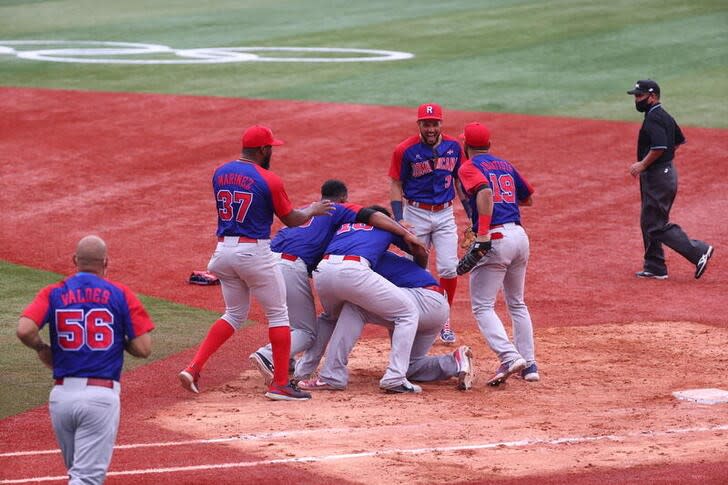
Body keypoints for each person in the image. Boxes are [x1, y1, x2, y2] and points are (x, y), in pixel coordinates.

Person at [178, 125, 334, 401]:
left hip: (223, 251)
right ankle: (281, 384)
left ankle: (194, 367)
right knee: (279, 315)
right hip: (254, 252)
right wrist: (313, 209)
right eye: (271, 147)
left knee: (233, 314)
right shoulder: (269, 179)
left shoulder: (219, 172)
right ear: (263, 150)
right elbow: (291, 219)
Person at [249, 179, 424, 383]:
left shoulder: (308, 211)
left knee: (288, 318)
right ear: (343, 198)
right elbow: (372, 216)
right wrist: (404, 231)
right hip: (290, 265)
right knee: (306, 332)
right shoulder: (338, 208)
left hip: (266, 263)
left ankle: (286, 360)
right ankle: (268, 354)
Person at [17, 235, 155, 484]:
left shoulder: (54, 292)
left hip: (61, 397)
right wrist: (118, 340)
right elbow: (144, 348)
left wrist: (41, 348)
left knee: (78, 475)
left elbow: (25, 329)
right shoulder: (120, 294)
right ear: (106, 262)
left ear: (74, 261)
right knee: (87, 479)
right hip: (100, 398)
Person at [295, 206, 429, 393]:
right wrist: (420, 268)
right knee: (408, 313)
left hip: (323, 270)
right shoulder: (388, 227)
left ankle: (306, 372)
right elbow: (420, 251)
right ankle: (395, 377)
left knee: (329, 318)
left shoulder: (345, 225)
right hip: (354, 270)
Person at [299, 250, 474, 392]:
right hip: (434, 306)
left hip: (422, 299)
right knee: (411, 366)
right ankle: (455, 362)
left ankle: (332, 375)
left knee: (355, 307)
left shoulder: (364, 259)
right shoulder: (373, 254)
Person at [457, 122, 538, 386]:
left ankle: (508, 355)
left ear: (467, 146)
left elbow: (486, 193)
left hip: (495, 238)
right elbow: (528, 198)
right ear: (489, 145)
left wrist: (482, 233)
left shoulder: (468, 167)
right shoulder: (504, 165)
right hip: (519, 236)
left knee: (482, 306)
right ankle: (530, 365)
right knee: (517, 302)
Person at [388, 103, 468, 344]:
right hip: (416, 213)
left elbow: (461, 183)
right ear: (419, 125)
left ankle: (444, 318)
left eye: (434, 124)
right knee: (416, 268)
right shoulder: (405, 150)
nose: (430, 129)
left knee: (448, 268)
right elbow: (396, 185)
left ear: (441, 124)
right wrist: (399, 217)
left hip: (444, 214)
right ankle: (416, 318)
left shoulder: (454, 147)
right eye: (426, 124)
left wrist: (473, 215)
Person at [627, 79, 714, 280]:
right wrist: (663, 163)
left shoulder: (654, 118)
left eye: (640, 96)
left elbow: (659, 147)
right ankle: (654, 265)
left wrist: (644, 164)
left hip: (658, 176)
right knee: (648, 220)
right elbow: (677, 140)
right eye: (635, 96)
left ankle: (698, 251)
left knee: (655, 224)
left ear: (653, 96)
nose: (637, 100)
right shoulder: (662, 115)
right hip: (663, 173)